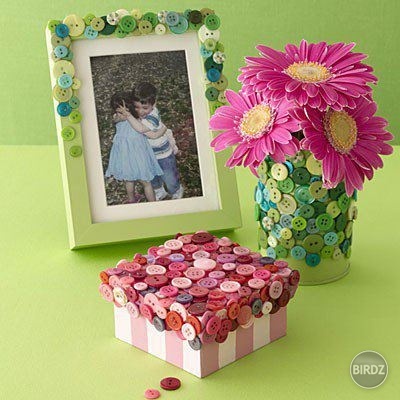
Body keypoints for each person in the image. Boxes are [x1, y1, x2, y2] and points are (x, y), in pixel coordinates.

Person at [105, 92, 164, 203]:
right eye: (119, 112)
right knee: (146, 182)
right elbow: (146, 130)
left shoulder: (120, 117)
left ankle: (132, 200)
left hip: (125, 154)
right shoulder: (138, 119)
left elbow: (115, 119)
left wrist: (121, 116)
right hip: (138, 153)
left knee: (129, 180)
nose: (122, 114)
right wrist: (162, 129)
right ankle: (152, 203)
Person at [132, 82, 184, 200]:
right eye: (136, 107)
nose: (140, 111)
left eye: (145, 108)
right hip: (148, 155)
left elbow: (142, 129)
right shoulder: (140, 115)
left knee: (169, 177)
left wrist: (131, 118)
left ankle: (176, 190)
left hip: (163, 155)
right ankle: (159, 190)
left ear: (153, 104)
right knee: (153, 176)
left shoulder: (153, 117)